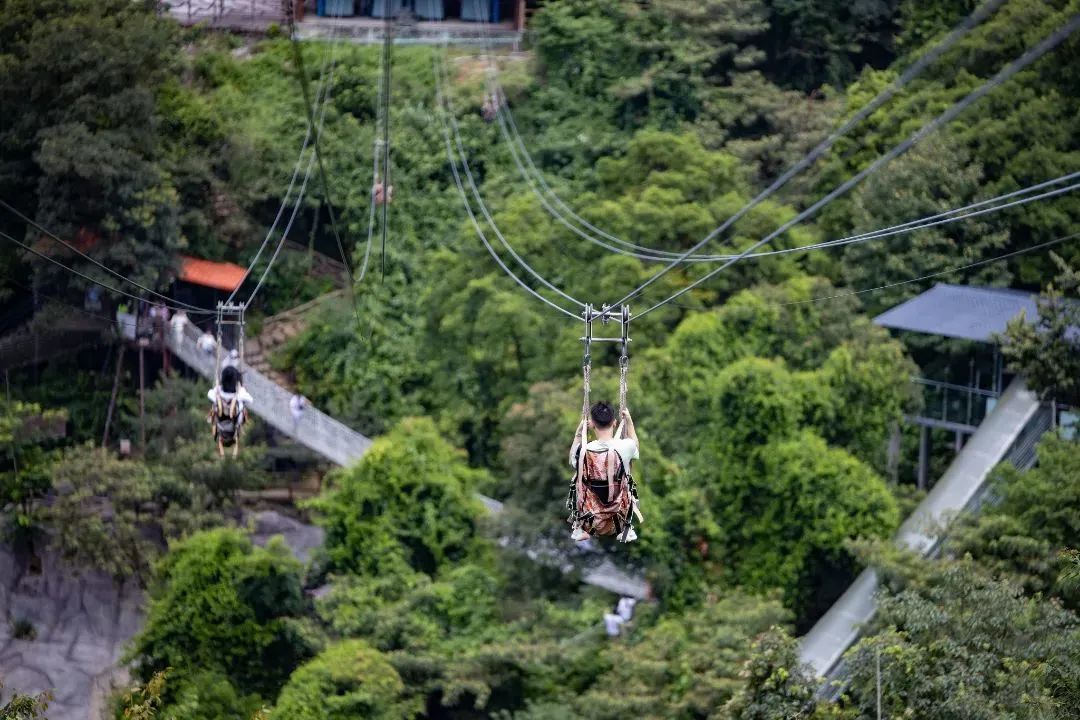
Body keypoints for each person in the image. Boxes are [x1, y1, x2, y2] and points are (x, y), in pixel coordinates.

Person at [568, 401, 640, 543]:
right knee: (627, 482)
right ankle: (627, 528)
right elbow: (636, 448)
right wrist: (630, 423)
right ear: (614, 423)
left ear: (592, 424)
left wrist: (579, 434)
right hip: (618, 518)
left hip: (590, 519)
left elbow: (572, 461)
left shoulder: (582, 451)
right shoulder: (626, 447)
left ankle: (579, 527)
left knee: (577, 480)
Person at [207, 366, 253, 458]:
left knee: (215, 409)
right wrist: (241, 388)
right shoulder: (240, 394)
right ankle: (234, 415)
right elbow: (250, 400)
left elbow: (209, 393)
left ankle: (221, 412)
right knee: (242, 408)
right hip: (234, 424)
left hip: (221, 424)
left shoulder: (217, 393)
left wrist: (216, 387)